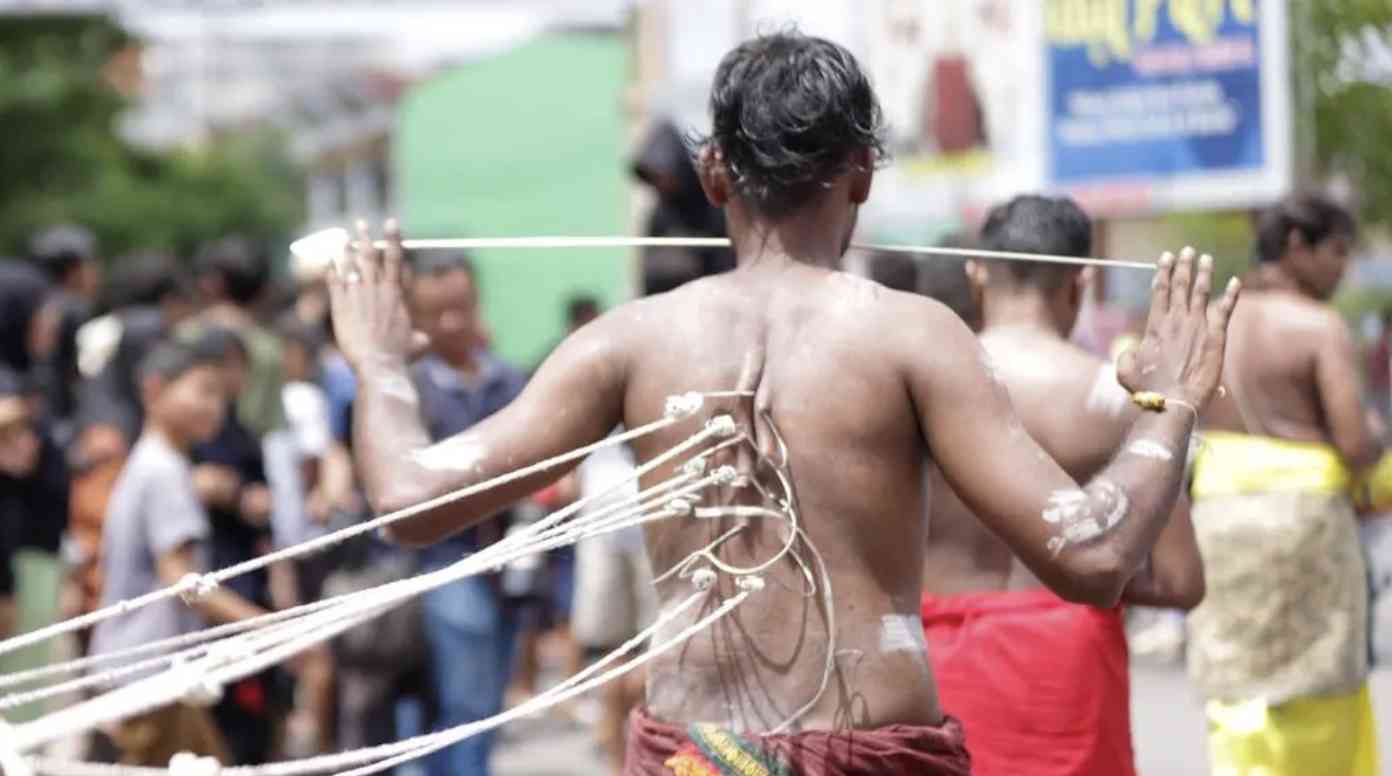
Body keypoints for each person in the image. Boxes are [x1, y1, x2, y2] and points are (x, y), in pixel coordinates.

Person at [327, 31, 1237, 775]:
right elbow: (1095, 555)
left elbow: (410, 496)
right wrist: (1175, 403)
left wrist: (378, 364)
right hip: (869, 753)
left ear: (718, 174)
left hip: (701, 757)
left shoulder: (630, 340)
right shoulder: (913, 335)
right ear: (863, 175)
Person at [918, 195, 1205, 776]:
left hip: (937, 658)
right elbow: (1181, 581)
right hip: (1067, 668)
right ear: (1079, 282)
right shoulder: (1122, 400)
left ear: (976, 273)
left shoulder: (919, 387)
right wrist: (1090, 568)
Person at [1190, 192, 1380, 775]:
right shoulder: (1318, 326)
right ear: (1297, 246)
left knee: (1237, 681)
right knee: (1319, 684)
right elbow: (1353, 444)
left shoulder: (1206, 321)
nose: (1343, 269)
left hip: (1218, 513)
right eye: (1337, 252)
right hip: (1305, 519)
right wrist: (1376, 431)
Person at [88, 338, 267, 766]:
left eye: (221, 396)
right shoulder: (164, 472)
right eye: (203, 391)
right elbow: (182, 581)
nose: (215, 407)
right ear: (154, 390)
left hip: (147, 670)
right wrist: (268, 625)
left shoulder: (157, 465)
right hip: (150, 671)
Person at [405, 249, 528, 776]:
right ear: (415, 316)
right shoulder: (407, 389)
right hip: (441, 560)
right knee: (462, 704)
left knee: (482, 699)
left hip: (510, 561)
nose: (452, 322)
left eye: (462, 306)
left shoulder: (510, 380)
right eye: (437, 311)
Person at [184, 236, 284, 438]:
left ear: (212, 283)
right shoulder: (270, 348)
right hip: (249, 458)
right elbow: (271, 425)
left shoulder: (185, 336)